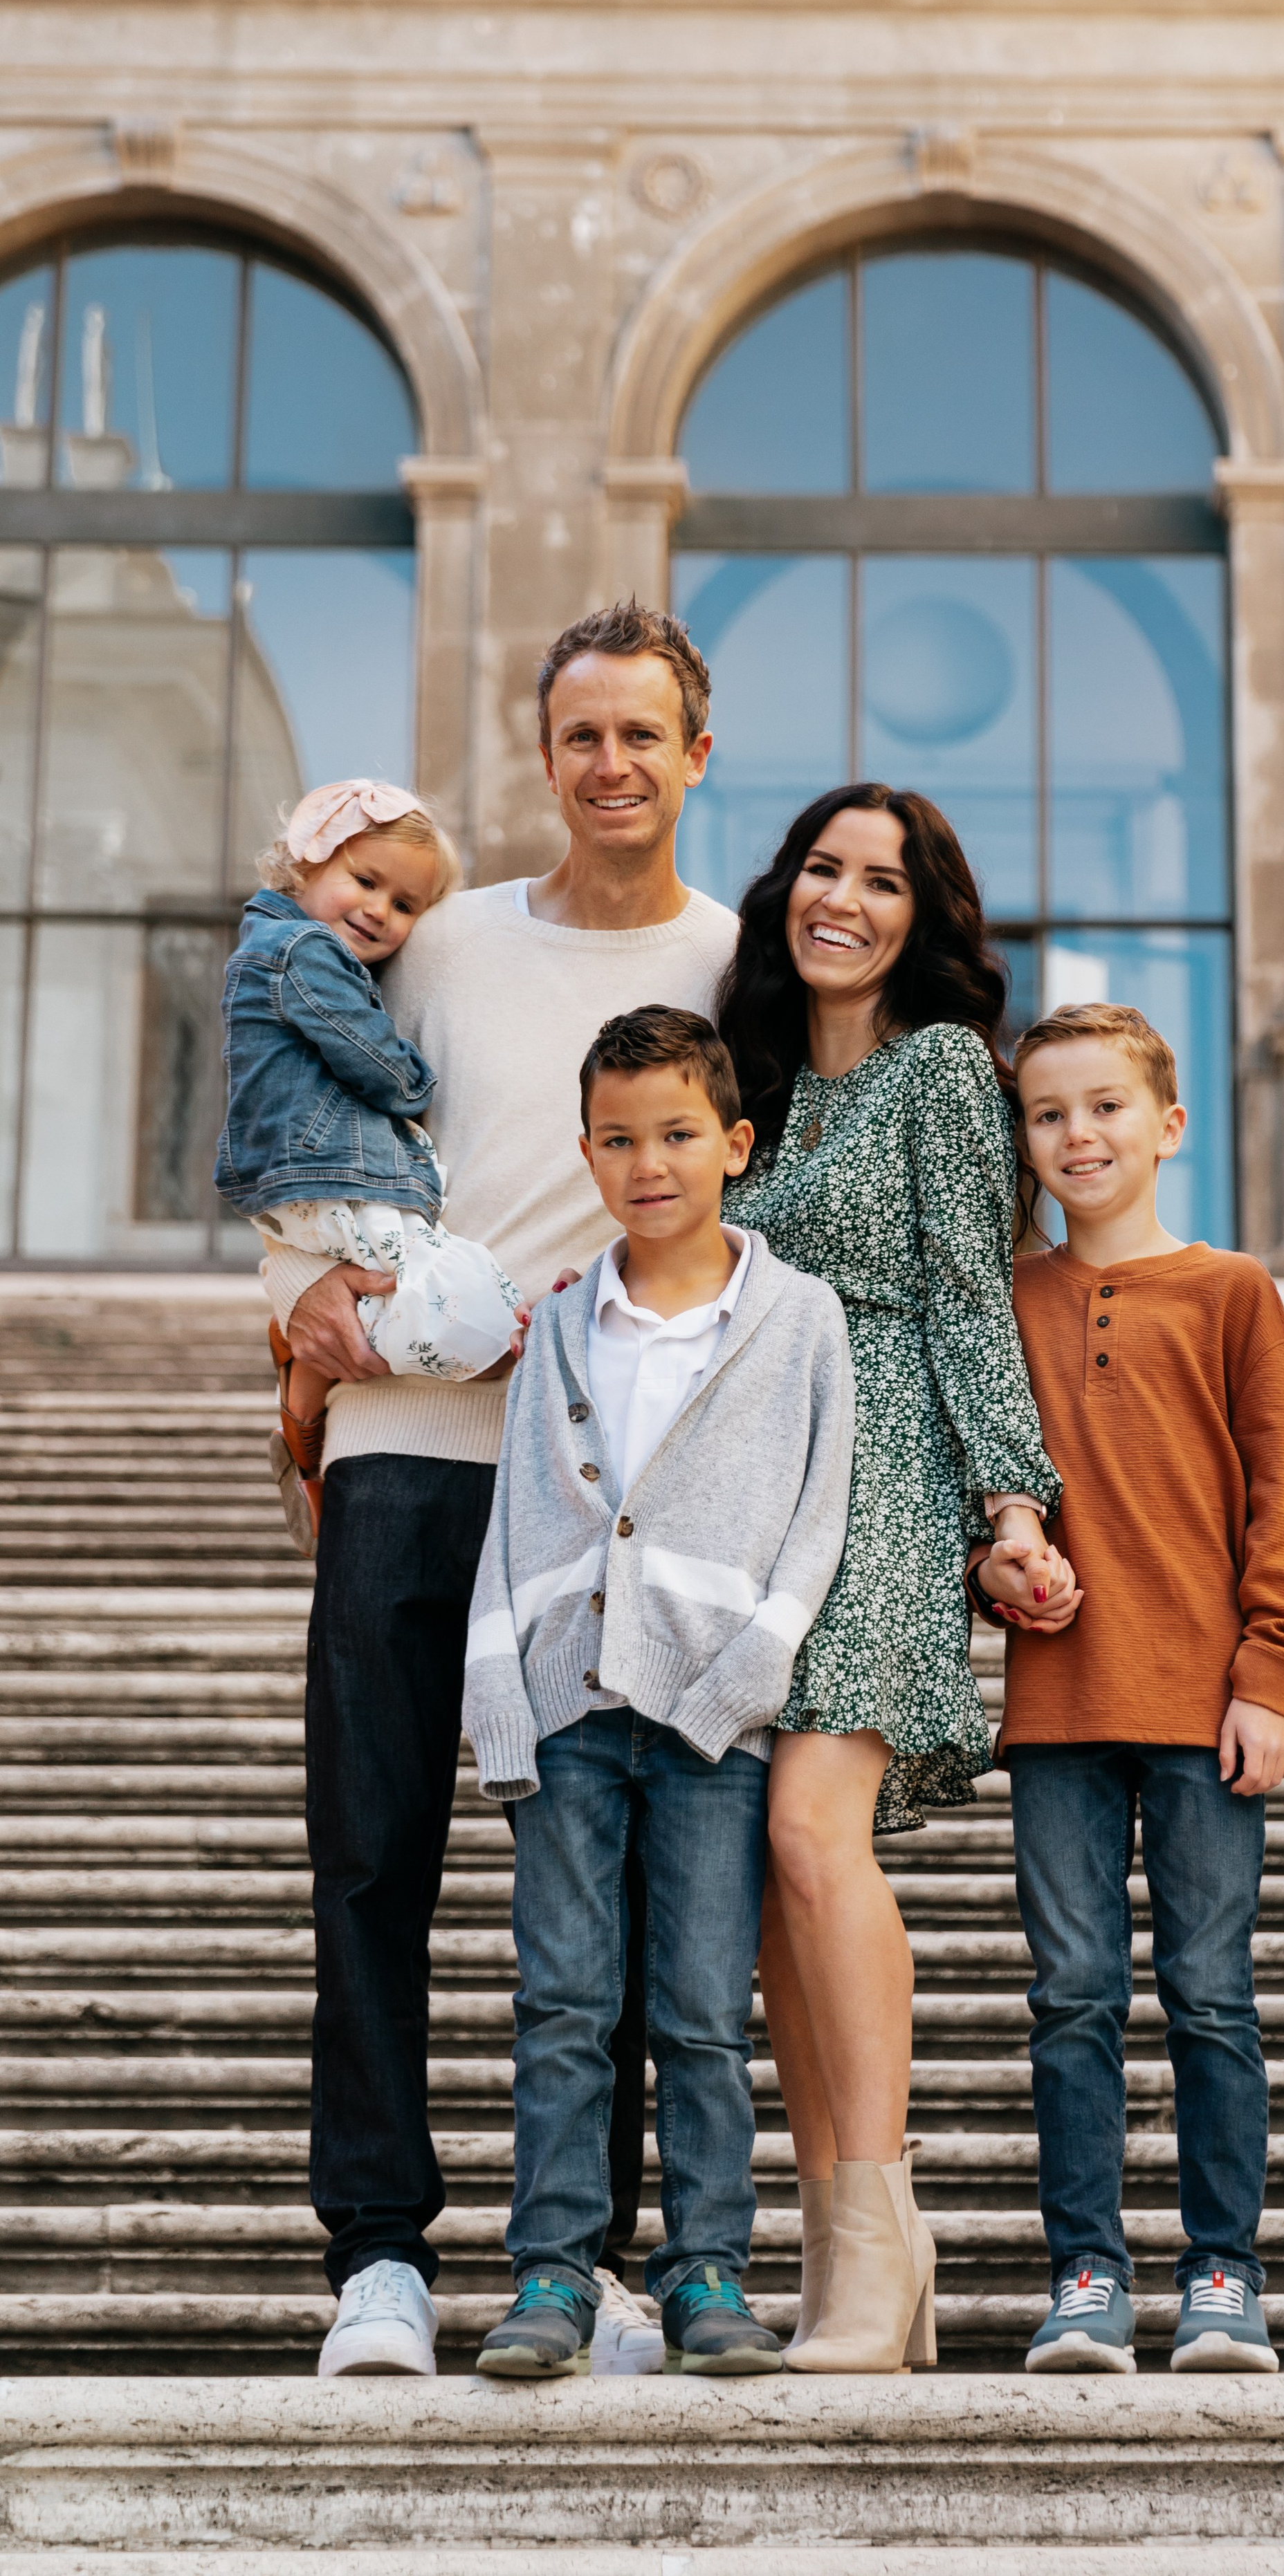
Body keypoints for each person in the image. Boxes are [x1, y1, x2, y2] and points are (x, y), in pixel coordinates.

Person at [262, 602, 738, 2378]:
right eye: (579, 735)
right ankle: (377, 2255)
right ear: (545, 756)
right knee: (372, 1850)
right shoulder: (437, 941)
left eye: (641, 734)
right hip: (410, 1443)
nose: (609, 764)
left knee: (603, 1885)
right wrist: (297, 1314)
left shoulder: (735, 960)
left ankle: (592, 2259)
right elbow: (306, 1120)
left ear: (695, 755)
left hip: (614, 1484)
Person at [718, 782, 1070, 2375]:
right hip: (745, 1493)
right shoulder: (752, 1085)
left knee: (812, 1831)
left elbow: (967, 1293)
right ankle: (844, 2258)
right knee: (770, 1886)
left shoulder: (938, 1071)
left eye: (879, 880)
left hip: (882, 1479)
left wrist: (1011, 1502)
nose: (840, 900)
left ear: (921, 919)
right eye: (821, 868)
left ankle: (878, 2230)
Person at [465, 1006, 854, 2379]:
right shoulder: (565, 1322)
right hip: (570, 1708)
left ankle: (706, 2275)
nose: (650, 1164)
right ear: (587, 1154)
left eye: (678, 1134)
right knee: (565, 2003)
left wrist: (746, 1676)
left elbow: (817, 1514)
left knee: (697, 2010)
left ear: (735, 1145)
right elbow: (516, 1516)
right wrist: (500, 1693)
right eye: (619, 1139)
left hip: (713, 1722)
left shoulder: (798, 1318)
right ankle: (553, 2274)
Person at [989, 1003, 1284, 2377]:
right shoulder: (1006, 1298)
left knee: (1209, 1996)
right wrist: (998, 1570)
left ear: (1168, 1126)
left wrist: (1272, 1676)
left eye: (1105, 1106)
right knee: (1071, 1996)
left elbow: (1279, 1496)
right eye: (1048, 1113)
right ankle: (1086, 2274)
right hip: (1059, 1710)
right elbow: (982, 1491)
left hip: (1203, 1707)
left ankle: (1223, 2274)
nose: (1078, 1134)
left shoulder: (1232, 1291)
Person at [217, 779, 522, 1556]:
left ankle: (301, 1416)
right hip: (329, 1177)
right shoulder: (304, 952)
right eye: (365, 880)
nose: (380, 910)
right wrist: (417, 1081)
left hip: (312, 1175)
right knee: (440, 1298)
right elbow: (373, 1059)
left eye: (406, 904)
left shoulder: (279, 943)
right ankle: (473, 1357)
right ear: (306, 859)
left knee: (386, 1288)